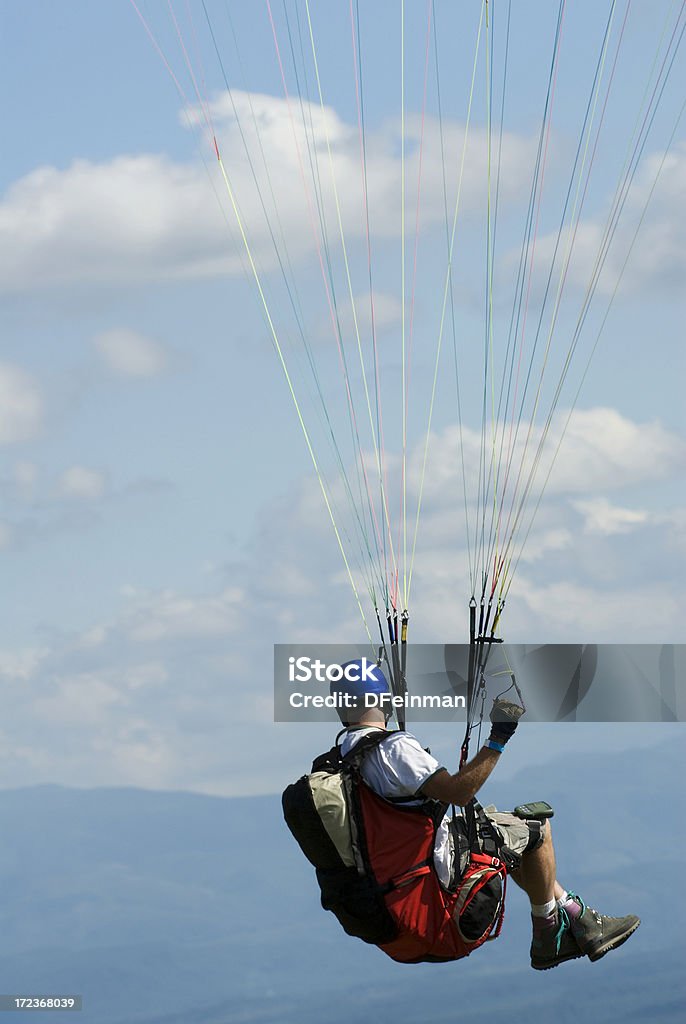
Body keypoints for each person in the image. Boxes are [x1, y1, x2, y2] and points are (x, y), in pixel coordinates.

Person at [332, 659, 640, 971]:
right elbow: (458, 793)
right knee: (536, 828)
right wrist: (499, 737)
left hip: (394, 891)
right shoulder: (393, 749)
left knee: (502, 833)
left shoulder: (341, 757)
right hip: (439, 876)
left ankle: (580, 918)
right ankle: (549, 934)